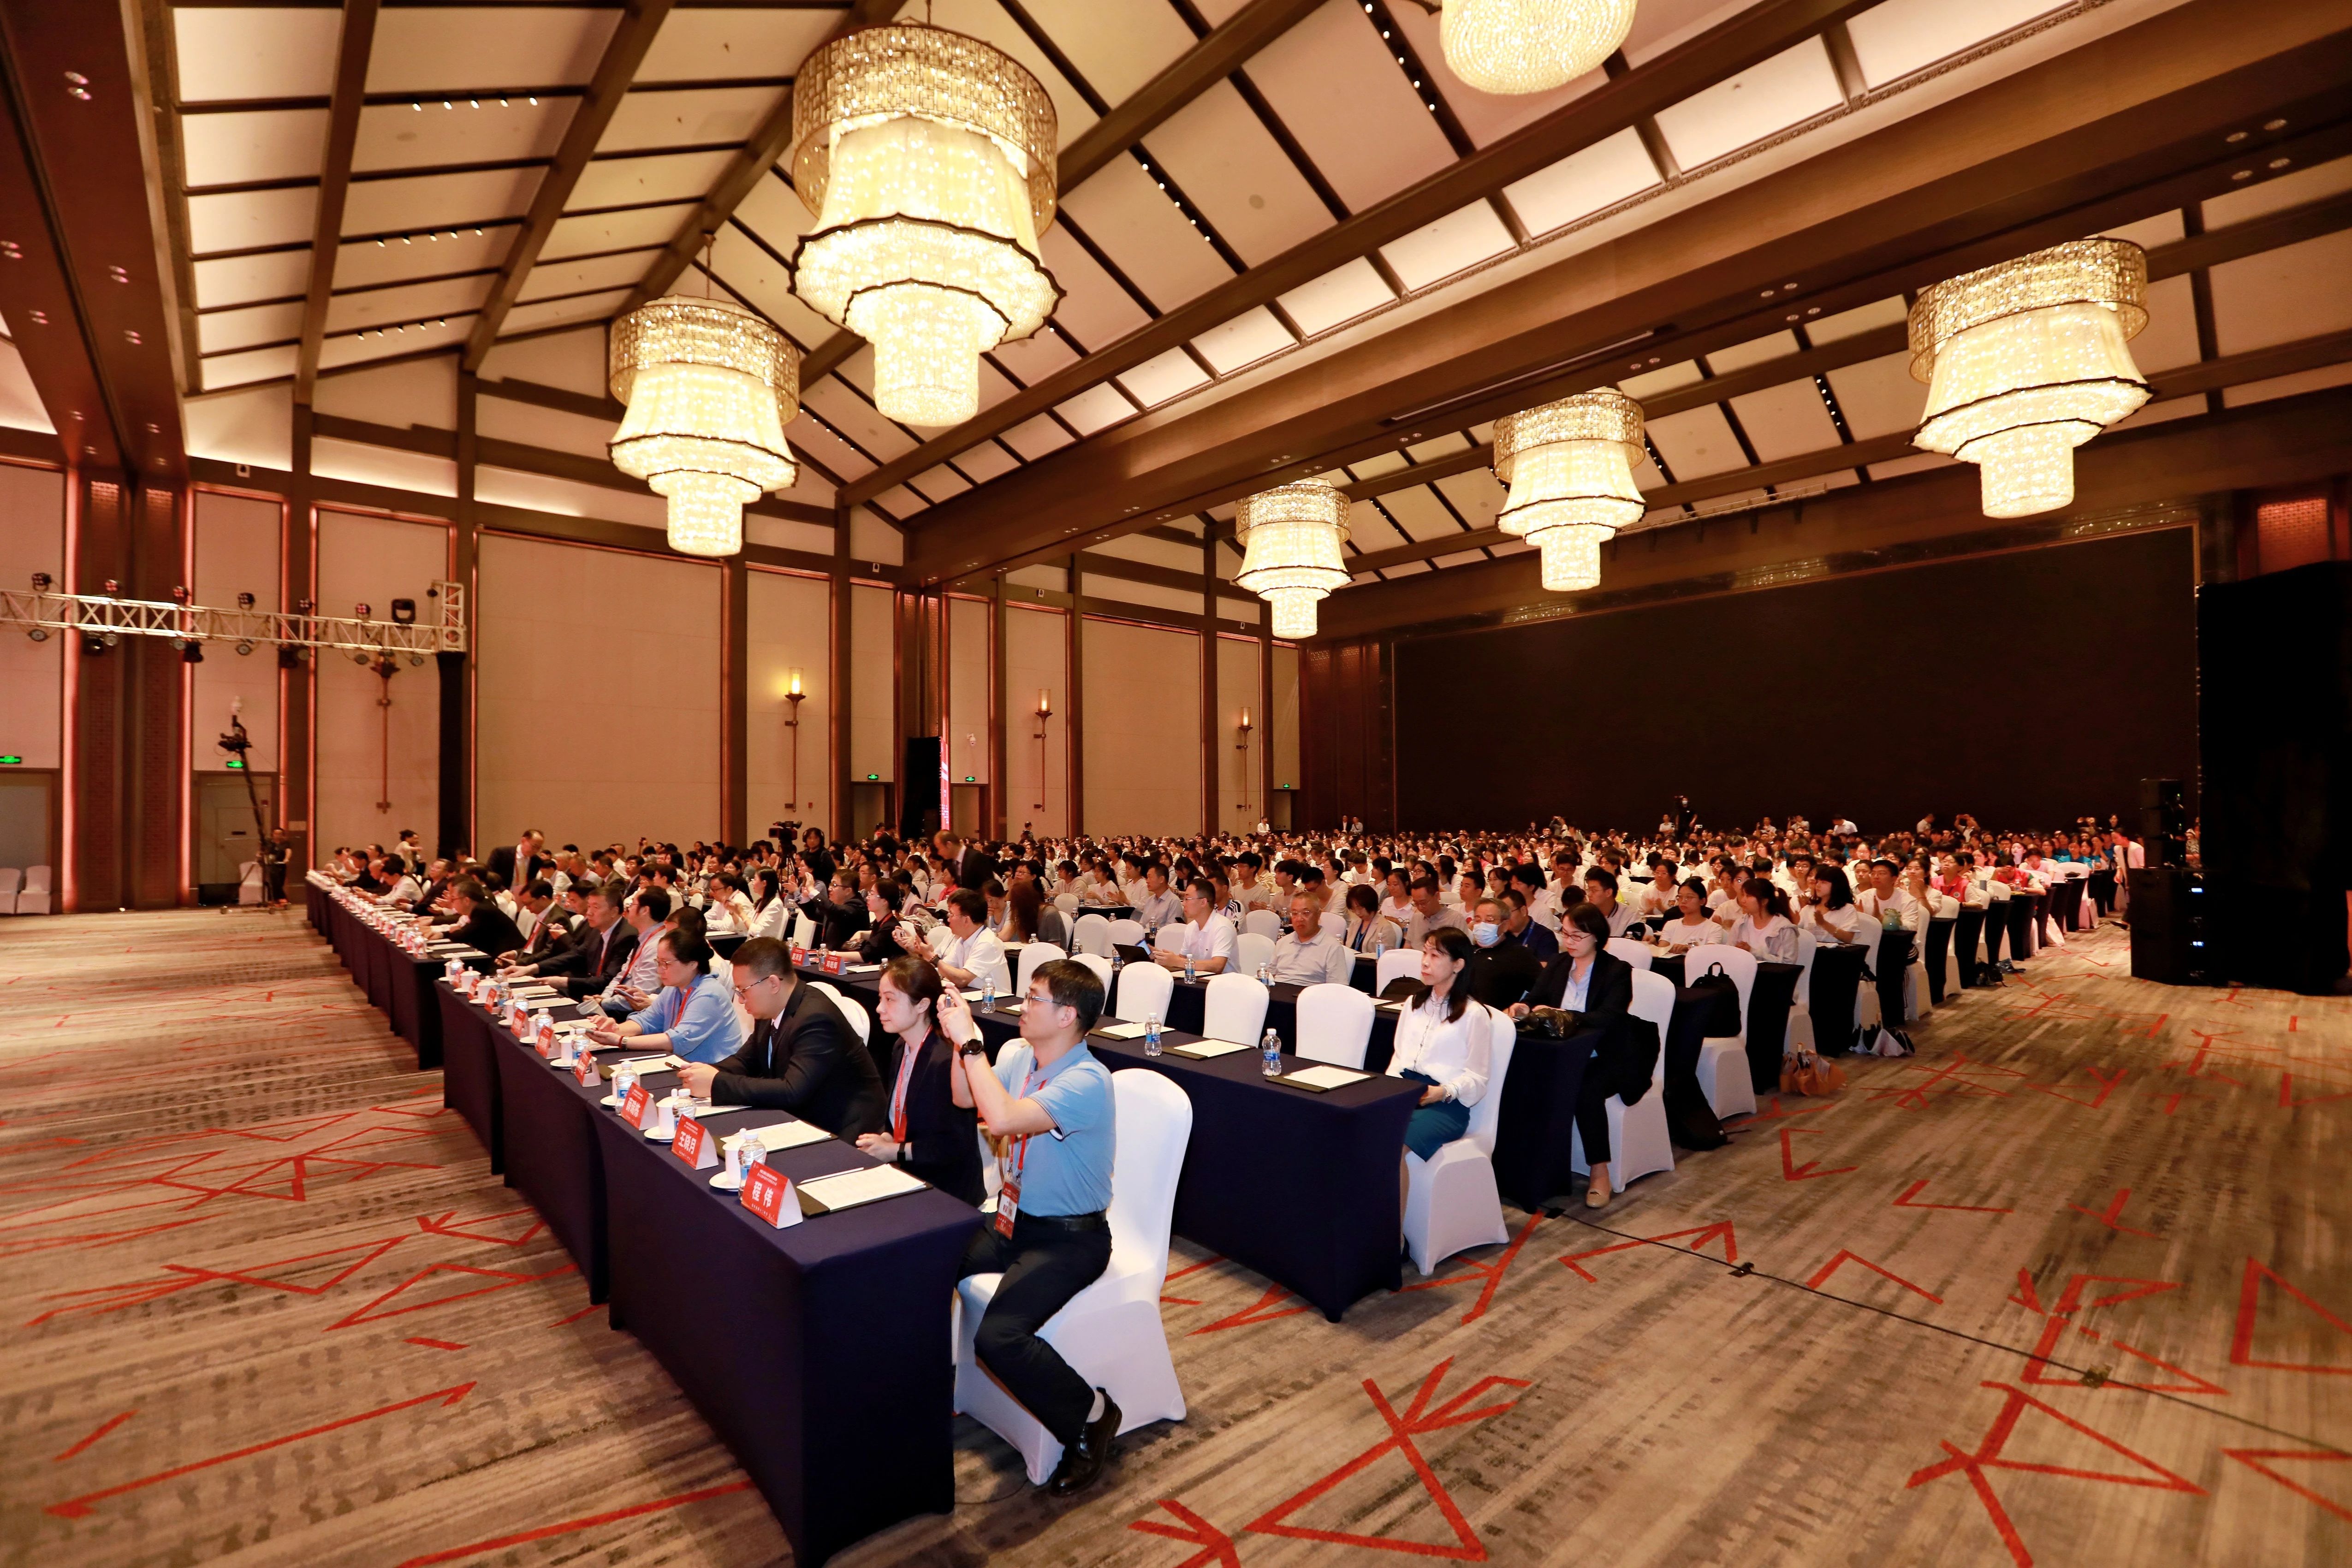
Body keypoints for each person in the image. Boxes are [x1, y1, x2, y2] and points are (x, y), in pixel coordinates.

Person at [938, 959, 1121, 1497]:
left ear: (1067, 1015)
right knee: (924, 1260)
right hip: (1012, 1220)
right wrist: (958, 1039)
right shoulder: (1023, 1058)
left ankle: (1093, 1414)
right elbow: (966, 1098)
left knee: (1000, 1337)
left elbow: (1002, 1120)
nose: (1024, 1005)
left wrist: (972, 1042)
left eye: (1035, 997)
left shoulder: (1087, 1080)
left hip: (1070, 1238)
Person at [678, 937, 885, 1134]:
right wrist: (706, 1072)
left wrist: (717, 1083)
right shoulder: (771, 1007)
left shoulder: (815, 1018)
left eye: (744, 991)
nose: (740, 1000)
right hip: (801, 1112)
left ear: (773, 984)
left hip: (842, 1125)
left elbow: (792, 1091)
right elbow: (746, 1061)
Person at [1513, 903, 1639, 1208]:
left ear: (1596, 936)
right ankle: (1530, 1168)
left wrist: (1565, 1016)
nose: (1568, 942)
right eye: (1565, 934)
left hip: (1603, 1055)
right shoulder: (1559, 963)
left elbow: (1610, 1016)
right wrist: (1523, 1008)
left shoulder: (1617, 970)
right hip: (1559, 1054)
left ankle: (1600, 1171)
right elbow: (1536, 998)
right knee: (1520, 1078)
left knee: (1585, 1091)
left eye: (1576, 936)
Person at [853, 955, 985, 1206]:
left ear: (923, 1005)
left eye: (890, 999)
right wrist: (887, 1139)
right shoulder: (901, 1046)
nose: (879, 1008)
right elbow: (901, 1119)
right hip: (909, 1175)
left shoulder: (947, 1060)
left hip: (948, 1192)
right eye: (881, 998)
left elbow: (953, 1146)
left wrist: (894, 1150)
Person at [1387, 926, 1497, 1210]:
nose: (1425, 962)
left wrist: (1445, 1092)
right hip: (1406, 1091)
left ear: (1458, 965)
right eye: (1425, 953)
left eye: (1435, 956)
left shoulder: (1474, 1014)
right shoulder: (1413, 1003)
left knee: (1392, 1146)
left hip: (1446, 1105)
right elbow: (1399, 1057)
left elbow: (1478, 1079)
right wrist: (1388, 1091)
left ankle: (1394, 1234)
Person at [589, 927, 743, 1065]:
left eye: (666, 964)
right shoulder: (674, 987)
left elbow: (678, 1040)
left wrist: (622, 1041)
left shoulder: (709, 993)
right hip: (682, 1063)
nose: (659, 970)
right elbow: (647, 1020)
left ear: (692, 964)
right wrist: (616, 1029)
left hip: (713, 1071)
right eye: (659, 962)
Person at [923, 889, 1010, 992]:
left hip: (993, 999)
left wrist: (933, 957)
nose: (949, 919)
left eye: (952, 915)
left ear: (966, 920)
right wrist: (923, 955)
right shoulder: (962, 940)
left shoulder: (988, 943)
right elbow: (943, 970)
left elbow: (963, 980)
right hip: (973, 995)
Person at [1463, 896, 1541, 1008]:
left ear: (1505, 925)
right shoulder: (1467, 952)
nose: (1482, 925)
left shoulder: (1519, 955)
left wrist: (1523, 1007)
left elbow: (1543, 990)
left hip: (1496, 1016)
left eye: (1490, 920)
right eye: (1478, 920)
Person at [1153, 878, 1239, 974]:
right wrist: (1164, 958)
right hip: (1198, 979)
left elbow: (1218, 966)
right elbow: (1182, 960)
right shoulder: (1191, 927)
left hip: (1225, 981)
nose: (1183, 904)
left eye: (1187, 899)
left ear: (1203, 902)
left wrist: (1177, 961)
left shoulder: (1223, 927)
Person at [1268, 891, 1354, 986]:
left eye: (1306, 913)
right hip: (1278, 991)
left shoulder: (1332, 947)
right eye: (1295, 913)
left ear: (1318, 915)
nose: (1299, 919)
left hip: (1311, 992)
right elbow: (1270, 976)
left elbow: (1338, 987)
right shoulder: (1283, 942)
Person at [433, 877, 523, 958]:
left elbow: (462, 936)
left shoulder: (483, 911)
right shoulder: (480, 907)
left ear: (467, 901)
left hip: (510, 957)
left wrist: (453, 932)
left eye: (453, 899)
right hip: (496, 954)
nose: (452, 903)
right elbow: (465, 931)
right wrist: (443, 934)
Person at [1728, 878, 1799, 962]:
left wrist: (1753, 952)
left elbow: (1788, 964)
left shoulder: (1784, 928)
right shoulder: (1741, 923)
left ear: (1764, 901)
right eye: (1743, 895)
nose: (1743, 900)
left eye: (1749, 896)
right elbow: (1729, 952)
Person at [1656, 879, 1725, 953]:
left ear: (1702, 901)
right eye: (1680, 897)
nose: (1683, 901)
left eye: (1689, 897)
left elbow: (1709, 953)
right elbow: (1661, 951)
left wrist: (1688, 948)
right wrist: (1654, 943)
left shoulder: (1714, 928)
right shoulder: (1671, 925)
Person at [1497, 887, 1559, 962]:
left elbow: (1545, 967)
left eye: (1508, 913)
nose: (1504, 919)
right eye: (1501, 915)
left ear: (1523, 911)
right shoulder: (1500, 935)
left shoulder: (1545, 937)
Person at [1402, 875, 1466, 947]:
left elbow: (1461, 951)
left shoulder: (1456, 919)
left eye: (1423, 903)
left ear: (1437, 896)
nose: (1420, 908)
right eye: (1416, 904)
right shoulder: (1416, 918)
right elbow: (1408, 944)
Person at [1340, 882, 1403, 955]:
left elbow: (1386, 956)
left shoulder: (1385, 928)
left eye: (1360, 908)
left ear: (1370, 904)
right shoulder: (1355, 923)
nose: (1357, 913)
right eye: (1353, 909)